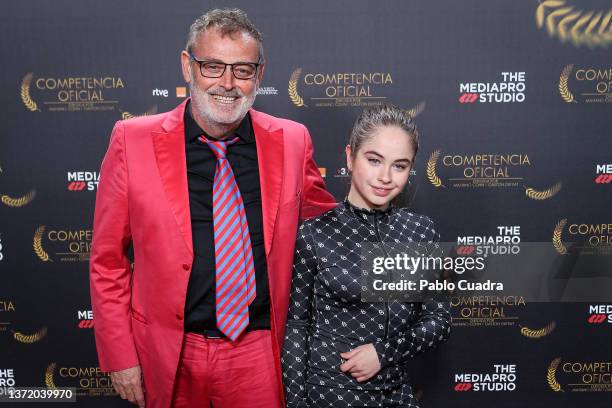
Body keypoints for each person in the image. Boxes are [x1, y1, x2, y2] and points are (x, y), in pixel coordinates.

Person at [89, 8, 335, 408]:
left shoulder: (292, 141)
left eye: (242, 70)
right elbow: (107, 261)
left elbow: (331, 232)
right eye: (212, 66)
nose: (227, 83)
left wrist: (391, 224)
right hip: (171, 350)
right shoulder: (131, 140)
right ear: (187, 66)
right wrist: (120, 355)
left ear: (260, 73)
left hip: (259, 350)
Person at [282, 105, 451, 407]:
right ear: (350, 156)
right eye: (374, 160)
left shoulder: (420, 232)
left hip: (395, 394)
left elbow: (438, 320)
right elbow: (296, 330)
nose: (385, 177)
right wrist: (296, 404)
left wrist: (383, 353)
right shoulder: (314, 234)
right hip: (327, 395)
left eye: (399, 166)